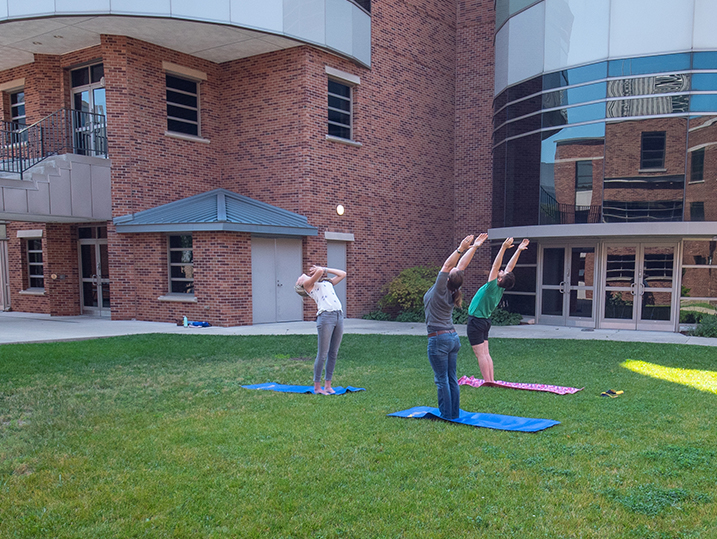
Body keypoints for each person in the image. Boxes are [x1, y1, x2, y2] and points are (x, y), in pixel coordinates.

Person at [423, 233, 488, 419]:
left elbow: (448, 265)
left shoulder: (441, 288)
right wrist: (474, 247)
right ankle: (454, 413)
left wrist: (461, 248)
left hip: (439, 339)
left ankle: (446, 414)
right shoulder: (453, 289)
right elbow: (460, 267)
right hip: (452, 338)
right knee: (451, 378)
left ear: (448, 279)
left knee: (442, 379)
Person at [467, 237, 530, 383]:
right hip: (484, 322)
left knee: (480, 355)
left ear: (500, 279)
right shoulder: (500, 287)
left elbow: (496, 267)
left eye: (501, 274)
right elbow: (509, 268)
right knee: (486, 353)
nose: (501, 271)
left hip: (476, 322)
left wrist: (503, 247)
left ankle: (489, 382)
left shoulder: (492, 286)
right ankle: (491, 380)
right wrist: (518, 250)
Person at [295, 264, 347, 395]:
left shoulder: (326, 283)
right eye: (298, 279)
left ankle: (328, 385)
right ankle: (317, 387)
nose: (299, 276)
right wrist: (320, 269)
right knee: (323, 354)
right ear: (301, 284)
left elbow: (343, 274)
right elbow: (318, 272)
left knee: (333, 353)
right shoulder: (309, 285)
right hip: (326, 317)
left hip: (338, 315)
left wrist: (325, 269)